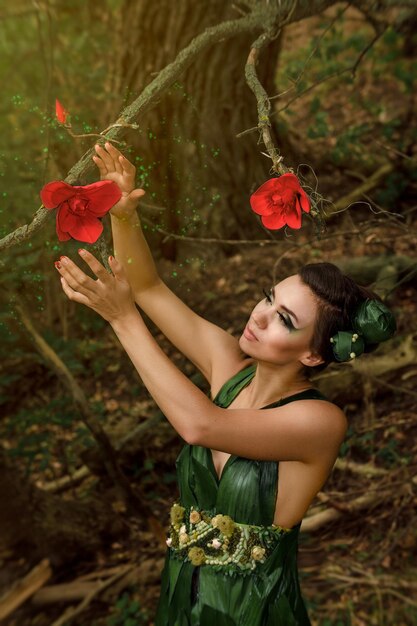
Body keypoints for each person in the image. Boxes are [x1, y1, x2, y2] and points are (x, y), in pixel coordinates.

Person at [54, 143, 396, 626]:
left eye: (283, 319)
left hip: (255, 611)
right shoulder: (227, 366)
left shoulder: (319, 421)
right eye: (268, 297)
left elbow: (200, 425)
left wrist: (123, 321)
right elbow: (149, 287)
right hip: (182, 601)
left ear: (313, 354)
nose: (259, 315)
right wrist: (124, 212)